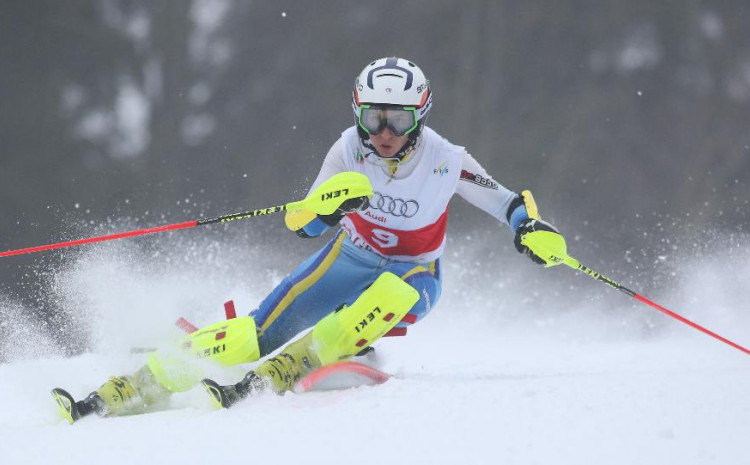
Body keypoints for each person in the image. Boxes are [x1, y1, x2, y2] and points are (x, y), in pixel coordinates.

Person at [51, 57, 563, 422]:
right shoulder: (347, 149)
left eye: (399, 119)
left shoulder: (446, 158)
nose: (385, 132)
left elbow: (505, 201)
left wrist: (531, 229)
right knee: (255, 331)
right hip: (349, 256)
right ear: (359, 114)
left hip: (415, 274)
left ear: (420, 117)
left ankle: (302, 358)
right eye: (373, 118)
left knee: (393, 293)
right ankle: (136, 383)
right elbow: (304, 225)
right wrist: (328, 207)